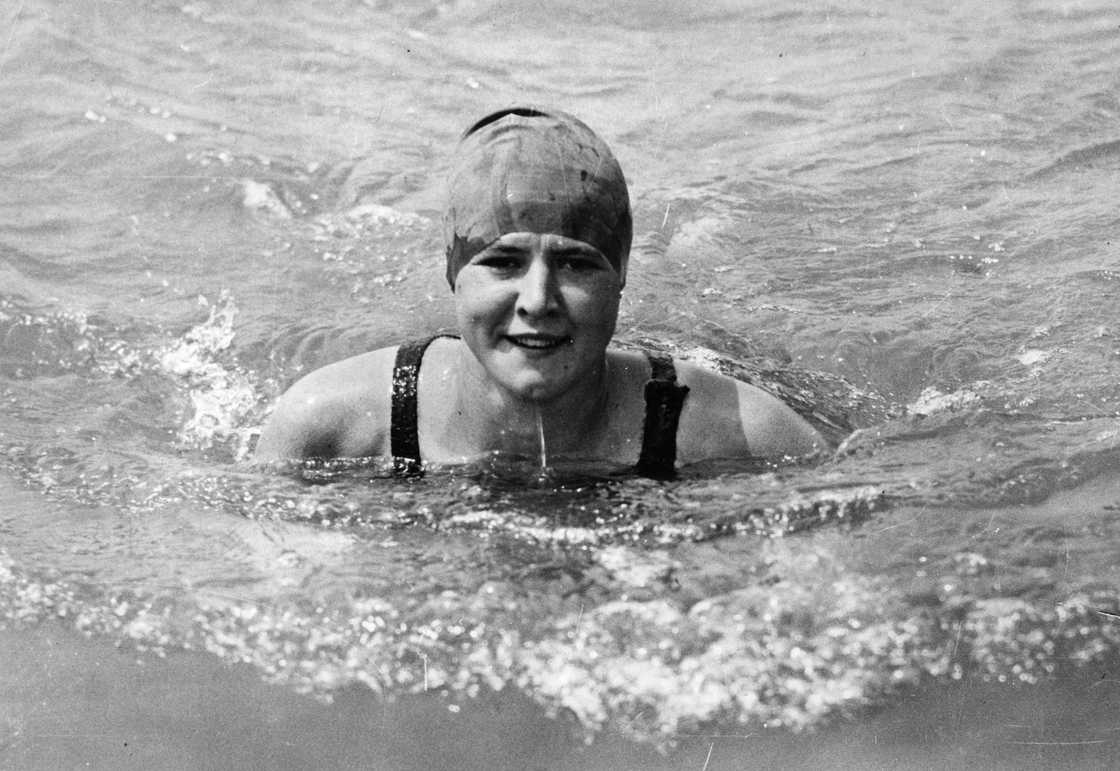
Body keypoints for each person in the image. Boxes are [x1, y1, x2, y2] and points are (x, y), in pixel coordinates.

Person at [254, 107, 823, 477]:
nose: (537, 299)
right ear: (453, 272)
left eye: (576, 263)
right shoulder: (325, 426)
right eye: (502, 261)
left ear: (622, 274)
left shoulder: (751, 437)